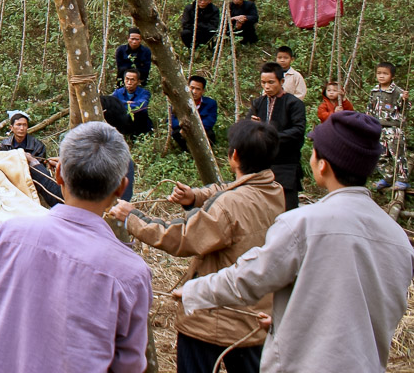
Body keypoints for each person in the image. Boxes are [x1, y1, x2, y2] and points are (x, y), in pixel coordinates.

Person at [177, 111, 414, 373]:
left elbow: (247, 280)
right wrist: (284, 318)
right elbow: (355, 307)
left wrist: (193, 291)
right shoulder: (398, 239)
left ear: (322, 164)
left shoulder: (302, 224)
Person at [0, 121, 151, 372]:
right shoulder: (131, 273)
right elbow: (129, 366)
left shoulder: (7, 237)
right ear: (121, 188)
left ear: (59, 173)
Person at [110, 120, 284, 373]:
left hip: (210, 318)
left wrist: (133, 218)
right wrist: (196, 196)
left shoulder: (229, 206)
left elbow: (181, 237)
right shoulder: (274, 190)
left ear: (233, 155)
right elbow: (229, 189)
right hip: (253, 319)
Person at [250, 62, 306, 211]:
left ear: (281, 82)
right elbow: (247, 127)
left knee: (288, 207)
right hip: (261, 163)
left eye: (271, 82)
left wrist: (270, 135)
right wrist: (252, 126)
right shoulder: (258, 103)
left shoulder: (294, 104)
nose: (266, 86)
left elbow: (298, 131)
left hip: (286, 163)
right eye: (263, 82)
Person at [0, 110, 61, 207]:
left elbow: (39, 170)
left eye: (24, 125)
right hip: (12, 178)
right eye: (18, 125)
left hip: (32, 180)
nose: (21, 128)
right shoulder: (5, 145)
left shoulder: (37, 145)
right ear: (11, 128)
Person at [367, 62, 408, 191]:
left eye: (385, 73)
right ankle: (388, 177)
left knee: (397, 153)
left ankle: (402, 179)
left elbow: (405, 109)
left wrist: (405, 100)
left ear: (392, 76)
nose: (381, 76)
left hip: (393, 128)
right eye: (379, 73)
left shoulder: (398, 92)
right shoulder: (374, 91)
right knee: (381, 154)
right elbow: (370, 109)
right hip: (378, 127)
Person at [171, 75, 218, 154]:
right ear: (187, 87)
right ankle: (187, 151)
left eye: (198, 89)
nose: (194, 92)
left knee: (210, 134)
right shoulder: (178, 102)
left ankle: (202, 152)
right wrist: (183, 125)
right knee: (176, 133)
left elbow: (210, 121)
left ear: (203, 91)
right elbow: (171, 120)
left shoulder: (211, 103)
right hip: (183, 129)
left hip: (201, 130)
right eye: (192, 88)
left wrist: (193, 127)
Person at [111, 69, 152, 139]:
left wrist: (121, 104)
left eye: (132, 80)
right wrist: (125, 102)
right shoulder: (117, 92)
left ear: (138, 82)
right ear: (124, 80)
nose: (129, 82)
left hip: (139, 124)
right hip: (122, 123)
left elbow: (142, 106)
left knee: (141, 114)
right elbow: (112, 104)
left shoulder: (144, 93)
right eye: (127, 79)